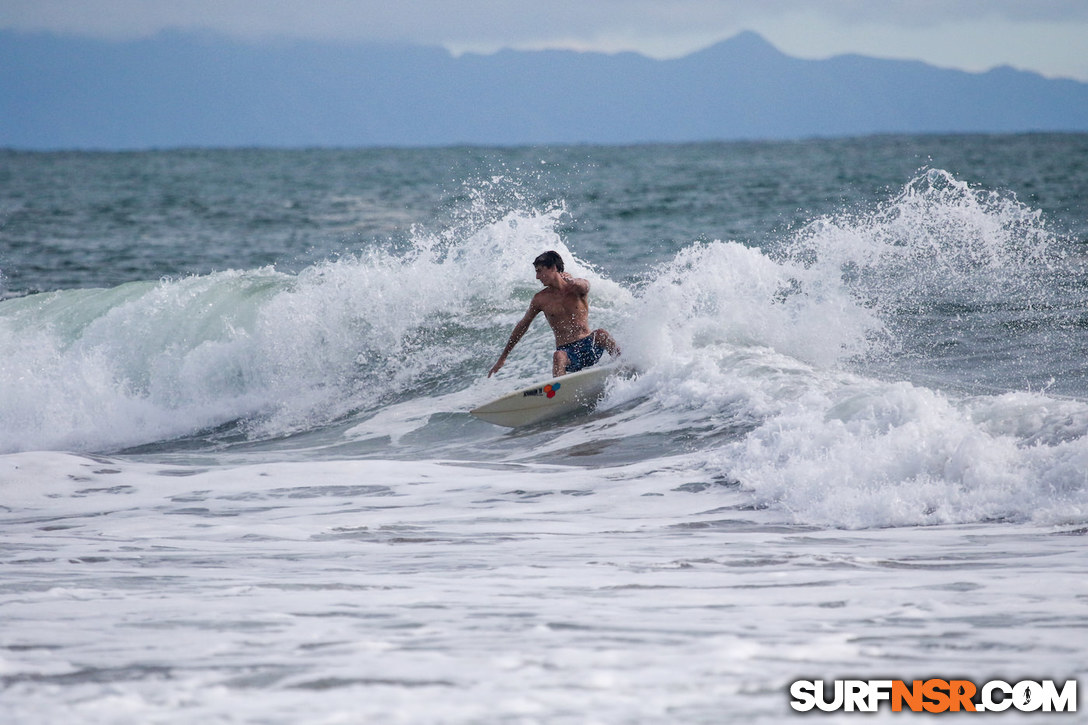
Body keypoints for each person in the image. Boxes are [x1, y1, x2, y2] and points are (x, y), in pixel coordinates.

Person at [489, 251, 620, 378]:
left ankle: (624, 365)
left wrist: (573, 281)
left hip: (589, 347)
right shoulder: (540, 299)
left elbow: (585, 285)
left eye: (539, 271)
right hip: (568, 353)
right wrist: (503, 358)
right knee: (558, 356)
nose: (537, 277)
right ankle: (559, 391)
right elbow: (523, 325)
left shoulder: (576, 288)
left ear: (553, 268)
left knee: (602, 334)